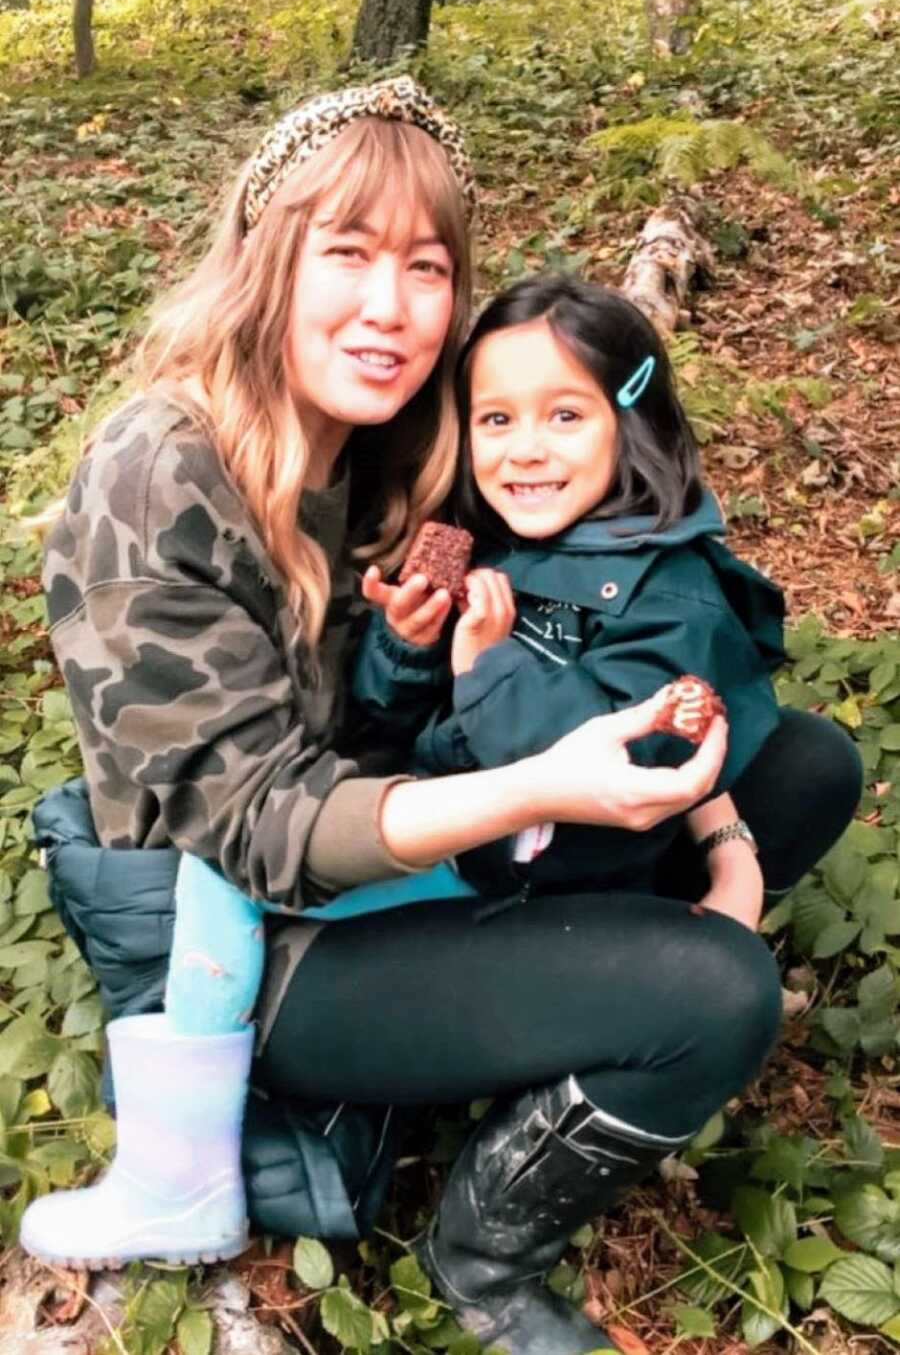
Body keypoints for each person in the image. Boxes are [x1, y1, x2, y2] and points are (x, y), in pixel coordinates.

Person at [21, 78, 862, 1355]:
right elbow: (257, 828)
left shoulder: (406, 435)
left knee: (801, 762)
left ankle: (535, 1017)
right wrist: (544, 788)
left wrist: (723, 828)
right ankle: (480, 1250)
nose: (391, 305)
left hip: (421, 853)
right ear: (264, 258)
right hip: (248, 941)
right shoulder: (156, 471)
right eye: (347, 253)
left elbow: (599, 562)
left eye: (426, 265)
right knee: (717, 987)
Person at [354, 275, 784, 931]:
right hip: (443, 853)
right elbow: (384, 730)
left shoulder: (675, 595)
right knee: (225, 882)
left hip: (558, 905)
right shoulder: (485, 545)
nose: (526, 450)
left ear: (629, 421)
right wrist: (406, 646)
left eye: (565, 416)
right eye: (497, 419)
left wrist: (488, 668)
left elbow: (630, 760)